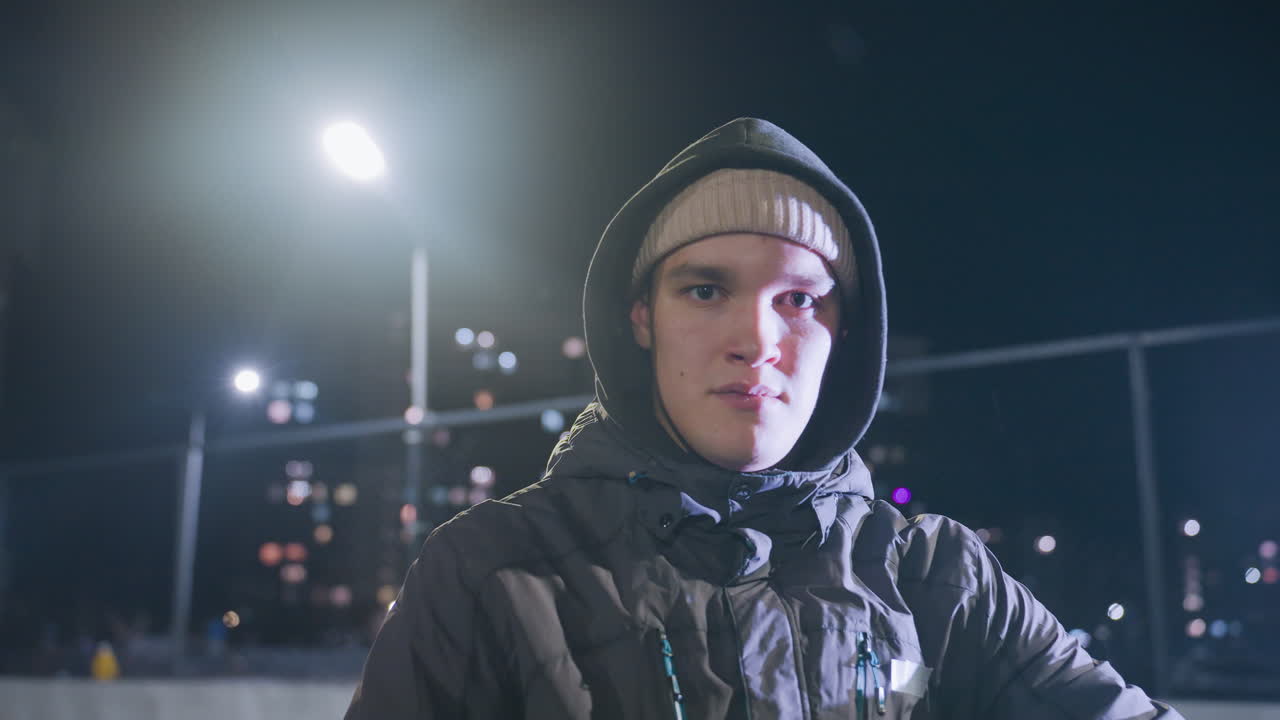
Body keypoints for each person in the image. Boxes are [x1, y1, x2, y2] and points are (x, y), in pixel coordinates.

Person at [345, 118, 1183, 719]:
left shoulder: (938, 581)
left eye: (799, 300)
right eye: (706, 290)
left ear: (842, 332)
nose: (756, 339)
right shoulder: (493, 571)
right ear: (640, 319)